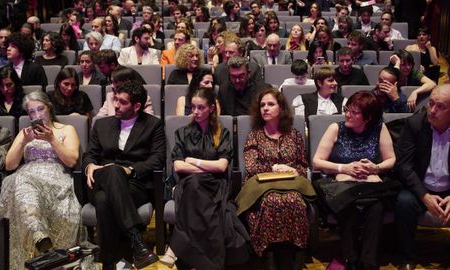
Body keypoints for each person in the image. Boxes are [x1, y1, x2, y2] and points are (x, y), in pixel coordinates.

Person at [0, 91, 83, 270]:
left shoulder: (65, 130)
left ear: (49, 108)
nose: (37, 115)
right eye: (32, 112)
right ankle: (37, 232)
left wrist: (52, 139)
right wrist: (23, 141)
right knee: (21, 179)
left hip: (55, 180)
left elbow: (71, 160)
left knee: (20, 180)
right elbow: (9, 165)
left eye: (40, 109)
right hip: (26, 176)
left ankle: (38, 233)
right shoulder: (25, 133)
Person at [160, 88, 250, 269]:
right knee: (194, 186)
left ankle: (177, 249)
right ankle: (209, 263)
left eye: (201, 107)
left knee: (196, 190)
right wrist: (208, 167)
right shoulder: (182, 133)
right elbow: (178, 166)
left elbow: (222, 166)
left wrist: (193, 161)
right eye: (193, 107)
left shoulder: (222, 133)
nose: (195, 112)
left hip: (216, 185)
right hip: (188, 184)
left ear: (211, 108)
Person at [83, 80, 164, 269]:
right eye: (116, 100)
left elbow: (157, 159)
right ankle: (137, 242)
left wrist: (130, 170)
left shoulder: (153, 125)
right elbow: (89, 154)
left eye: (122, 102)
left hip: (134, 182)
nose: (116, 105)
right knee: (110, 171)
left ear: (137, 106)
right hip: (100, 179)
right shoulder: (102, 124)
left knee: (104, 200)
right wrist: (90, 166)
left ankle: (110, 262)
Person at [312, 91, 396, 270]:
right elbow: (317, 161)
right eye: (347, 109)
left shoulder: (379, 128)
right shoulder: (336, 128)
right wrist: (345, 168)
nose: (347, 114)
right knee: (346, 205)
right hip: (343, 186)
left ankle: (368, 262)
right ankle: (350, 259)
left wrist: (376, 167)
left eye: (354, 112)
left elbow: (391, 160)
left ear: (368, 117)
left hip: (370, 187)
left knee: (377, 207)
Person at [236, 88, 316, 269]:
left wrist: (291, 169)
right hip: (260, 186)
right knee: (271, 201)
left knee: (294, 200)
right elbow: (251, 167)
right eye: (262, 105)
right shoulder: (254, 135)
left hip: (291, 185)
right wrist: (277, 168)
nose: (265, 108)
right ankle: (268, 257)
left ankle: (294, 256)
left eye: (270, 104)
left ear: (281, 108)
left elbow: (303, 166)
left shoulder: (294, 135)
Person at [394, 85, 450, 270]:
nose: (432, 111)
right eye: (431, 104)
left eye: (441, 106)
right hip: (421, 186)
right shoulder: (415, 124)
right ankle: (408, 257)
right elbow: (404, 165)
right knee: (403, 201)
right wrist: (424, 196)